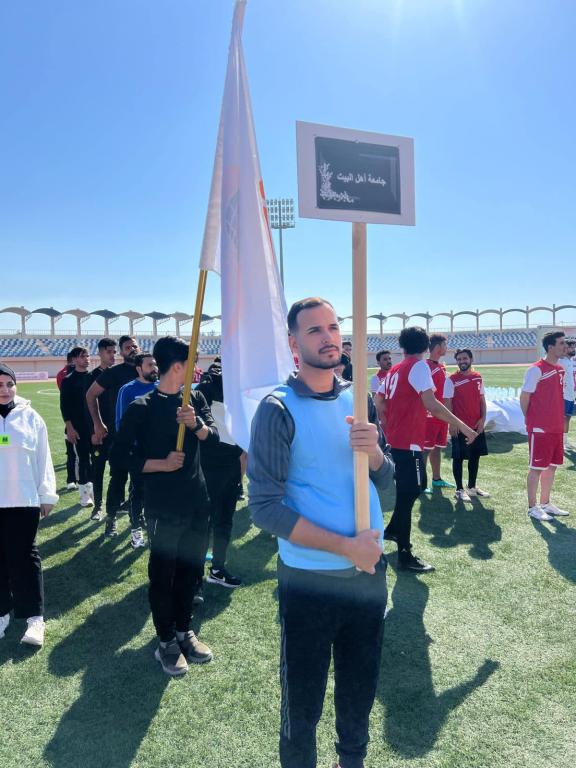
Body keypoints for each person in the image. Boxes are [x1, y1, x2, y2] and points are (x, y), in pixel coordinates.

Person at [248, 297, 394, 768]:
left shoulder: (358, 398)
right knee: (303, 703)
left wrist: (374, 453)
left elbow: (385, 477)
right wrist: (346, 547)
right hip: (310, 581)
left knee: (360, 689)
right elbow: (264, 509)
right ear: (294, 344)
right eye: (314, 330)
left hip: (368, 576)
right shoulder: (278, 409)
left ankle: (351, 761)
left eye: (332, 327)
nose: (328, 337)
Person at [110, 337, 217, 676]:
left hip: (197, 501)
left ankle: (185, 630)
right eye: (192, 362)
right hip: (163, 506)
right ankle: (166, 641)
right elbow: (119, 456)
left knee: (191, 570)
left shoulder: (195, 398)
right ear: (178, 366)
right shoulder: (142, 406)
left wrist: (196, 425)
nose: (196, 368)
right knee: (164, 574)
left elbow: (214, 437)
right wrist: (161, 464)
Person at [376, 327, 477, 573]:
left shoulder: (395, 369)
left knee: (414, 488)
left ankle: (393, 530)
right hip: (408, 442)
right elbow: (432, 404)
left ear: (402, 346)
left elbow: (379, 400)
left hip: (397, 440)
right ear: (425, 347)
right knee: (410, 491)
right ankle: (404, 554)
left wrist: (390, 424)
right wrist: (464, 427)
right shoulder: (418, 366)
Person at [0, 364, 58, 648]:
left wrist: (46, 495)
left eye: (9, 384)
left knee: (25, 558)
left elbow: (43, 458)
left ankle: (35, 618)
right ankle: (2, 613)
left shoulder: (31, 417)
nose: (5, 390)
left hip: (24, 500)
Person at [196, 363, 244, 588]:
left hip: (231, 462)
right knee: (205, 521)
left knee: (225, 520)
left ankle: (217, 569)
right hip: (210, 464)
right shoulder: (208, 387)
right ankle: (195, 575)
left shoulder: (242, 389)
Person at [86, 335, 140, 537]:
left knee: (140, 481)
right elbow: (91, 395)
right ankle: (111, 518)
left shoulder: (148, 370)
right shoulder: (113, 373)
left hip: (143, 438)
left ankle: (137, 518)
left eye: (134, 345)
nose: (132, 349)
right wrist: (97, 423)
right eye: (127, 347)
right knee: (118, 478)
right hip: (118, 436)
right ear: (122, 352)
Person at [520, 331, 568, 520]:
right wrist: (530, 419)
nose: (565, 346)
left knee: (552, 466)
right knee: (536, 468)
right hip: (540, 427)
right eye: (561, 343)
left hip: (556, 427)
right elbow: (525, 396)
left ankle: (546, 503)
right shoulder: (536, 369)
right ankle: (533, 507)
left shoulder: (561, 369)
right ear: (550, 347)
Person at [114, 353, 159, 548]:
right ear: (139, 368)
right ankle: (136, 530)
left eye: (155, 364)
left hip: (160, 453)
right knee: (137, 491)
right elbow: (120, 422)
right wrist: (129, 448)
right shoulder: (127, 390)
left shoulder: (161, 387)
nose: (154, 368)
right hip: (138, 452)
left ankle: (154, 530)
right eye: (150, 365)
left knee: (156, 493)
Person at [444, 349, 490, 502]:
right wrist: (452, 423)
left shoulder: (478, 377)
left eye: (464, 358)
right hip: (460, 426)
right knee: (458, 458)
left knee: (475, 456)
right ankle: (459, 489)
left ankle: (471, 487)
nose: (462, 361)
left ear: (471, 359)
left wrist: (482, 419)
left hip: (476, 425)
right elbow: (447, 403)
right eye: (459, 359)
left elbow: (482, 400)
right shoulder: (451, 380)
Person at [59, 346, 93, 508]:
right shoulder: (68, 380)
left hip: (94, 427)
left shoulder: (94, 377)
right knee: (83, 460)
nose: (86, 359)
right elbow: (64, 406)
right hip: (78, 428)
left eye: (87, 356)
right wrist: (70, 428)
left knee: (96, 461)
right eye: (82, 356)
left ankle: (93, 492)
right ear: (74, 359)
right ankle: (84, 496)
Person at [89, 337, 117, 521]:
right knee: (98, 470)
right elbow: (87, 405)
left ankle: (116, 504)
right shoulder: (92, 376)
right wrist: (94, 429)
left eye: (114, 352)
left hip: (116, 432)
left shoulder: (118, 373)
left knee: (117, 471)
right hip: (99, 432)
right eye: (109, 352)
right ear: (100, 352)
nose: (112, 355)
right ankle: (97, 506)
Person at [422, 334, 454, 493]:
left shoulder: (441, 366)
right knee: (425, 449)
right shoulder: (425, 366)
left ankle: (436, 479)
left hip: (442, 415)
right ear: (439, 347)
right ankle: (421, 483)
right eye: (445, 345)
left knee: (437, 448)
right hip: (430, 416)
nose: (446, 348)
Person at [56, 352, 78, 490]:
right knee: (72, 452)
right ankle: (72, 479)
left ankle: (79, 479)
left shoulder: (85, 374)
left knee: (79, 453)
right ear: (73, 360)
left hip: (79, 419)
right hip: (72, 418)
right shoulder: (64, 375)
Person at [559, 336, 576, 449]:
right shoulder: (561, 362)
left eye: (574, 347)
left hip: (571, 395)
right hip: (564, 395)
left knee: (568, 418)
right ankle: (559, 442)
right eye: (571, 347)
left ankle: (564, 442)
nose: (574, 349)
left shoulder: (571, 361)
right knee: (562, 419)